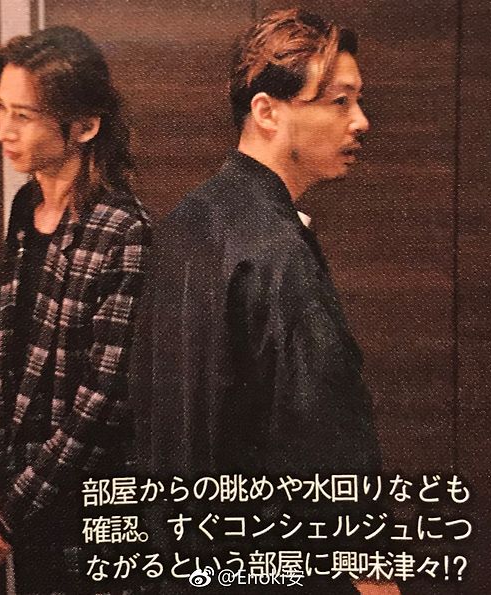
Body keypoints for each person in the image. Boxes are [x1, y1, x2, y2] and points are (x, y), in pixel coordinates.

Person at [130, 8, 395, 594]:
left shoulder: (184, 223)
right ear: (267, 111)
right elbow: (324, 442)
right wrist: (377, 579)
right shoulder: (277, 251)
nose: (361, 121)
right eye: (339, 101)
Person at [0, 26, 150, 593]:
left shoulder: (124, 229)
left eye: (24, 116)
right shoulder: (26, 204)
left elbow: (103, 400)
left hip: (90, 509)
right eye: (1, 109)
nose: (2, 131)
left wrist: (13, 510)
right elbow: (26, 350)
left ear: (84, 127)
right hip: (32, 494)